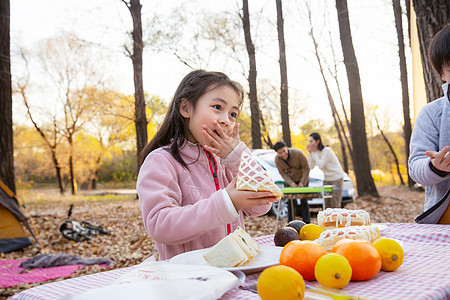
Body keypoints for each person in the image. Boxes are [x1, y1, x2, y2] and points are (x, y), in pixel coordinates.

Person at [137, 70, 277, 260]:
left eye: (233, 114)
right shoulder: (162, 161)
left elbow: (264, 202)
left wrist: (237, 157)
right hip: (188, 278)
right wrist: (226, 203)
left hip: (233, 272)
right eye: (217, 107)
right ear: (186, 108)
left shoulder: (225, 161)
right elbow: (160, 225)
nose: (225, 120)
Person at [409, 24, 450, 224]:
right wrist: (435, 167)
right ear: (442, 74)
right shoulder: (432, 114)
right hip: (443, 222)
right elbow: (415, 166)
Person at [273, 141, 310, 223]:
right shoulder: (277, 160)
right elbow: (282, 173)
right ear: (277, 153)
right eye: (280, 153)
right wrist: (291, 183)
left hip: (303, 178)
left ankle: (307, 223)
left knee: (304, 201)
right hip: (290, 181)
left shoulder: (298, 153)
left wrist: (302, 183)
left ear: (287, 148)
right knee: (290, 202)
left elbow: (306, 168)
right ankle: (291, 223)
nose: (283, 154)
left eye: (284, 151)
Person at [307, 132, 344, 209]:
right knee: (326, 203)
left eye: (311, 141)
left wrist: (314, 153)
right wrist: (310, 153)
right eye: (309, 141)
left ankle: (337, 220)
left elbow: (321, 165)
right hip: (327, 179)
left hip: (337, 178)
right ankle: (327, 221)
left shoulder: (327, 150)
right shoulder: (315, 153)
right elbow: (310, 166)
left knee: (335, 203)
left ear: (318, 141)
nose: (310, 143)